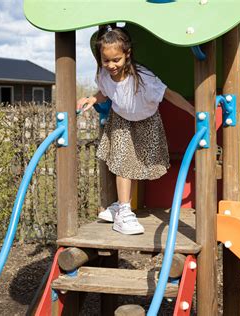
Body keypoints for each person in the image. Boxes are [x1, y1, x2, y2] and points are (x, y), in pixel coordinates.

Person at [77, 25, 195, 235]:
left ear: (127, 54)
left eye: (116, 60)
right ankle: (123, 210)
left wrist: (192, 110)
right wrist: (93, 98)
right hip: (121, 120)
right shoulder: (104, 75)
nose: (111, 65)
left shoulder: (143, 79)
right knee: (123, 163)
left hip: (146, 121)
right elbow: (104, 92)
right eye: (106, 61)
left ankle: (121, 206)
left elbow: (168, 94)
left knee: (136, 165)